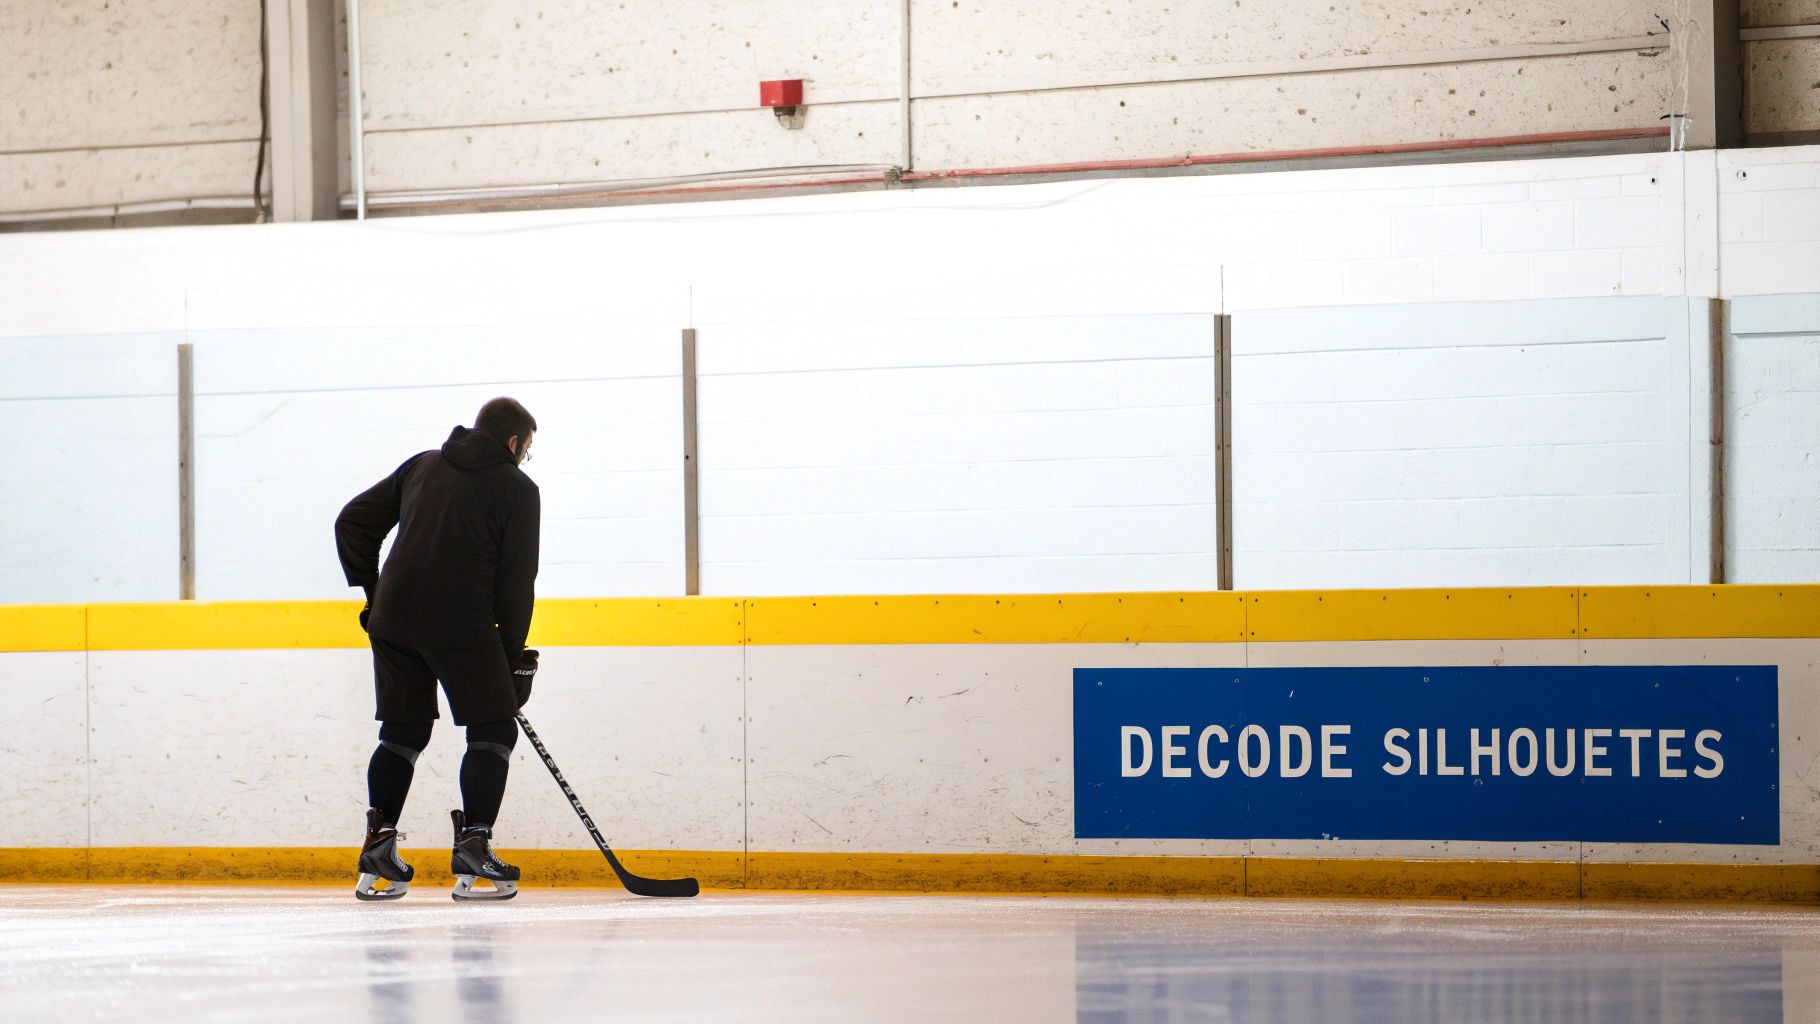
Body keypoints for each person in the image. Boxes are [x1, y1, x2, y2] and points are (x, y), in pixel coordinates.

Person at [334, 397, 542, 901]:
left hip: (393, 619)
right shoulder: (518, 488)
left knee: (402, 732)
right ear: (513, 442)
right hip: (460, 622)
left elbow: (352, 521)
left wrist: (372, 590)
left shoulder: (422, 465)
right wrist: (513, 657)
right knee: (493, 728)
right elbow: (518, 581)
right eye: (527, 449)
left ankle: (378, 845)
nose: (524, 458)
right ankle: (474, 844)